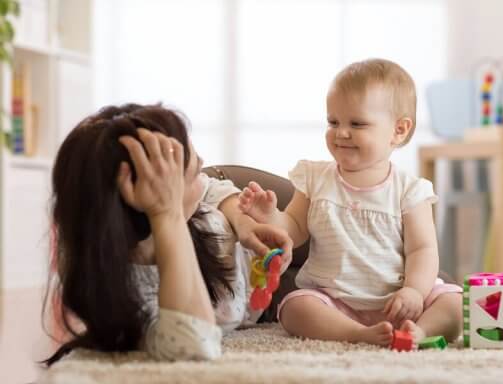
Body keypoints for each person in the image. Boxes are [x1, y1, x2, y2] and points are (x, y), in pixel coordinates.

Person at [44, 103, 293, 365]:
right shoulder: (119, 292)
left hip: (245, 205)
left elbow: (208, 185)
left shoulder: (192, 200)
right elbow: (193, 345)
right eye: (193, 168)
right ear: (155, 199)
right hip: (266, 296)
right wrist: (167, 214)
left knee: (329, 205)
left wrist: (243, 222)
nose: (201, 161)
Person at [239, 59, 462, 347]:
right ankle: (356, 334)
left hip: (399, 302)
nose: (341, 132)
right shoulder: (315, 178)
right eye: (333, 122)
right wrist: (270, 217)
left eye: (357, 123)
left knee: (456, 304)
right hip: (335, 302)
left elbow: (423, 249)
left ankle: (417, 332)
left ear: (399, 130)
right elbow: (294, 229)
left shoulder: (410, 190)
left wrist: (414, 292)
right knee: (295, 309)